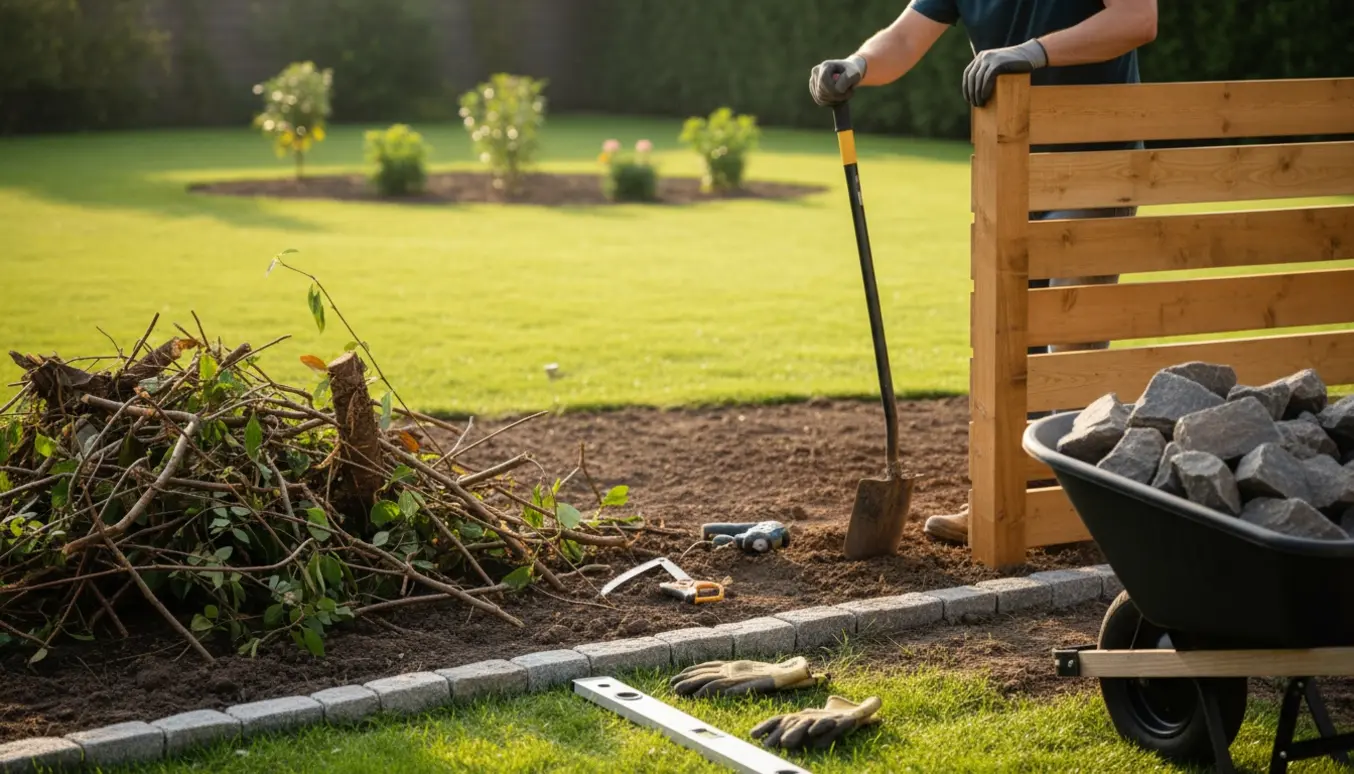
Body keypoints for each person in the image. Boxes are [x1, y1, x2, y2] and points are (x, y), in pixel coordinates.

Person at [809, 0, 1157, 545]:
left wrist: (1033, 53)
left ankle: (1065, 506)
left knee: (1065, 338)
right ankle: (1006, 502)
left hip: (1094, 161)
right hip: (1011, 161)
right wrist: (857, 64)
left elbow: (1138, 19)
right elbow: (902, 41)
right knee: (1009, 339)